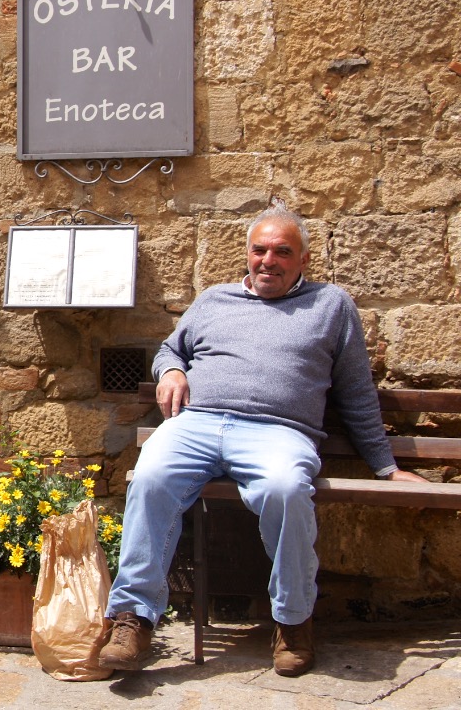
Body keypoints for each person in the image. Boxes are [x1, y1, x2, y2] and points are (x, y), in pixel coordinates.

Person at [99, 205, 424, 676]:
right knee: (149, 477)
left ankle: (293, 622)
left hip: (279, 432)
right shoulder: (214, 299)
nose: (268, 260)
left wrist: (386, 466)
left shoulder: (331, 305)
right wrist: (170, 369)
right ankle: (132, 619)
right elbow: (173, 347)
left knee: (286, 491)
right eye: (260, 250)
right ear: (247, 255)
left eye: (282, 252)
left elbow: (356, 391)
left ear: (303, 260)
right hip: (198, 424)